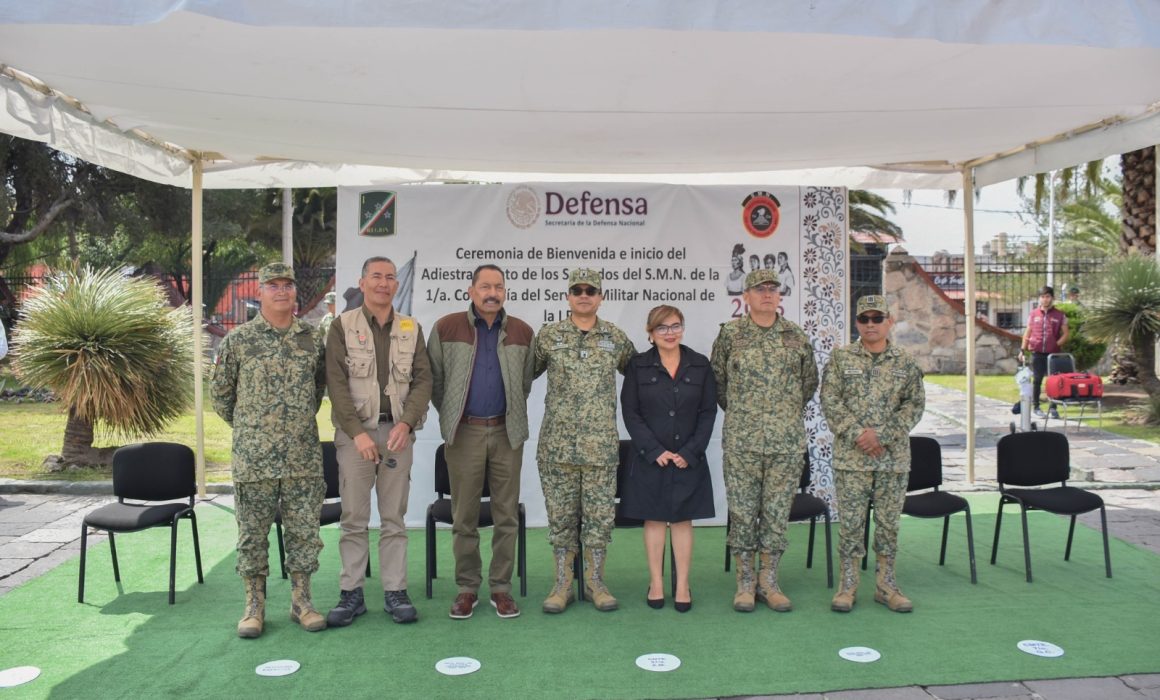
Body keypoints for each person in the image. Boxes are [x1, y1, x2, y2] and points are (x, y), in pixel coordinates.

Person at [211, 262, 328, 638]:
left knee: (304, 533)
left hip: (301, 456)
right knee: (251, 535)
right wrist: (253, 428)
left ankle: (302, 602)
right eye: (273, 285)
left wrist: (289, 426)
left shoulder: (311, 339)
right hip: (253, 459)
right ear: (259, 292)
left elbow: (317, 391)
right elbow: (221, 397)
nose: (281, 291)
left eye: (288, 285)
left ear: (295, 293)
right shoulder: (238, 341)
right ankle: (253, 607)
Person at [325, 256, 433, 626]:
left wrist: (405, 424)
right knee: (354, 517)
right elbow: (336, 384)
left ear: (396, 285)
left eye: (390, 277)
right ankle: (351, 593)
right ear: (363, 281)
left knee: (394, 518)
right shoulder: (342, 326)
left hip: (396, 435)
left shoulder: (411, 327)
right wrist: (356, 434)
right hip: (355, 436)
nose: (384, 283)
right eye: (376, 277)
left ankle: (395, 592)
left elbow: (423, 380)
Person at [427, 264, 535, 620]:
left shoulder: (521, 331)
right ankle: (467, 588)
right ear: (471, 290)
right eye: (485, 286)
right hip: (466, 432)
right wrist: (455, 415)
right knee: (464, 517)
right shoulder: (446, 327)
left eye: (499, 287)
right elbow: (436, 381)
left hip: (507, 432)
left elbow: (525, 383)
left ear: (505, 292)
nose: (493, 292)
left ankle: (501, 589)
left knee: (507, 516)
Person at [711, 268, 818, 613]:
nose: (767, 294)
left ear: (779, 295)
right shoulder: (730, 335)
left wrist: (780, 413)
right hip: (742, 441)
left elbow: (808, 384)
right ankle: (744, 582)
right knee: (742, 513)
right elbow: (719, 385)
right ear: (746, 296)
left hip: (785, 443)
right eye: (760, 289)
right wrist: (749, 414)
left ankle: (769, 581)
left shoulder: (795, 336)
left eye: (773, 288)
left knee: (775, 515)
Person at [534, 268, 635, 613]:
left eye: (590, 290)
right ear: (568, 296)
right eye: (577, 289)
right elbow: (521, 377)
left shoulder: (615, 338)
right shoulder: (549, 336)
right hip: (557, 447)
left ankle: (595, 583)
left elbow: (639, 378)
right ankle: (563, 584)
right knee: (561, 520)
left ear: (600, 297)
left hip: (600, 449)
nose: (583, 294)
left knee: (599, 520)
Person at [820, 295, 925, 613]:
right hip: (852, 459)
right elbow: (830, 400)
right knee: (851, 524)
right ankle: (848, 586)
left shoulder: (905, 361)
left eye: (876, 318)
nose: (870, 324)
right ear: (856, 323)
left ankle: (886, 585)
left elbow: (914, 404)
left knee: (888, 524)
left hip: (892, 459)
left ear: (889, 321)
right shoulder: (840, 358)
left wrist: (883, 435)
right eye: (864, 319)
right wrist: (859, 435)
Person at [620, 305, 717, 613]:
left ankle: (683, 585)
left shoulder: (700, 365)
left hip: (688, 458)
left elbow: (708, 412)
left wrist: (689, 452)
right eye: (662, 328)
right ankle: (657, 583)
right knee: (654, 519)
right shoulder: (638, 366)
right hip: (652, 458)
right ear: (651, 334)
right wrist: (654, 450)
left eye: (675, 326)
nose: (670, 332)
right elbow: (630, 412)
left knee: (682, 519)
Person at [1021, 285, 1069, 419]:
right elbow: (1027, 332)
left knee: (1054, 381)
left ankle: (1053, 408)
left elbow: (1065, 334)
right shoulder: (1033, 314)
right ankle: (1036, 407)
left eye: (1047, 296)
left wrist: (1056, 344)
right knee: (1037, 380)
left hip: (1053, 355)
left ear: (1052, 298)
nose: (1045, 299)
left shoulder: (1060, 315)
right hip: (1037, 353)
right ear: (1039, 298)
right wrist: (1022, 349)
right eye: (1042, 297)